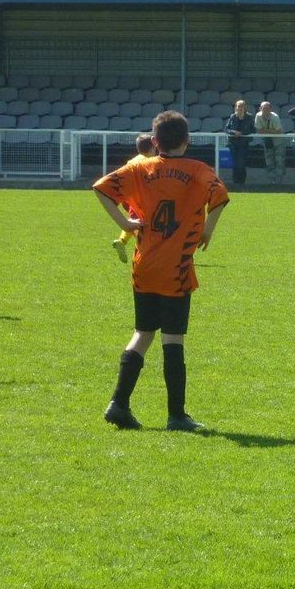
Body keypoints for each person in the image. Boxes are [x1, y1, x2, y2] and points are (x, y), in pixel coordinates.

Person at [94, 111, 229, 432]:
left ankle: (118, 403)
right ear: (187, 140)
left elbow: (101, 188)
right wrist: (207, 230)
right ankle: (177, 415)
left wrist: (125, 223)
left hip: (144, 265)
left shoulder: (139, 168)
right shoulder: (199, 170)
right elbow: (220, 198)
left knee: (142, 333)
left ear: (154, 141)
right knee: (173, 339)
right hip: (176, 267)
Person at [111, 132, 157, 263]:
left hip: (129, 197)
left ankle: (122, 241)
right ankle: (150, 251)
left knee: (134, 220)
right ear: (153, 147)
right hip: (143, 199)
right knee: (147, 225)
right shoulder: (149, 162)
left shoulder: (132, 161)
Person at [224, 99, 256, 185]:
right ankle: (235, 183)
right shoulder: (232, 117)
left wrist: (242, 133)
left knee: (241, 164)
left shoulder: (249, 117)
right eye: (239, 106)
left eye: (242, 106)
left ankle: (242, 182)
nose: (240, 108)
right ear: (236, 107)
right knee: (235, 163)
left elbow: (253, 130)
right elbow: (226, 129)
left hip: (244, 144)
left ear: (245, 107)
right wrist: (234, 132)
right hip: (233, 144)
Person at [256, 101, 286, 185]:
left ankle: (279, 181)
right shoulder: (258, 116)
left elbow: (278, 132)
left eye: (267, 108)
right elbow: (259, 130)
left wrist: (265, 131)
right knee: (269, 162)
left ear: (270, 109)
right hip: (267, 141)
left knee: (279, 161)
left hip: (278, 141)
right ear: (260, 109)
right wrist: (270, 132)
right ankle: (272, 181)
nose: (265, 110)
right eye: (263, 108)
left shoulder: (275, 117)